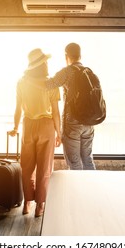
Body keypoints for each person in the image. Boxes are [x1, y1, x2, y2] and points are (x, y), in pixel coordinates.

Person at [8, 48, 61, 218]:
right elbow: (55, 112)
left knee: (27, 166)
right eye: (45, 61)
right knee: (44, 168)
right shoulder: (51, 83)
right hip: (46, 127)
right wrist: (59, 133)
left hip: (28, 125)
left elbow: (17, 109)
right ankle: (40, 205)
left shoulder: (21, 82)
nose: (47, 63)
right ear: (43, 64)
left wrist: (15, 128)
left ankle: (27, 203)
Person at [45, 42, 96, 170]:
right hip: (89, 122)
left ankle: (79, 190)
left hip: (73, 122)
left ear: (66, 56)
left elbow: (48, 85)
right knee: (88, 160)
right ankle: (93, 188)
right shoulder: (88, 71)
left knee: (74, 163)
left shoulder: (67, 72)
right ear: (80, 55)